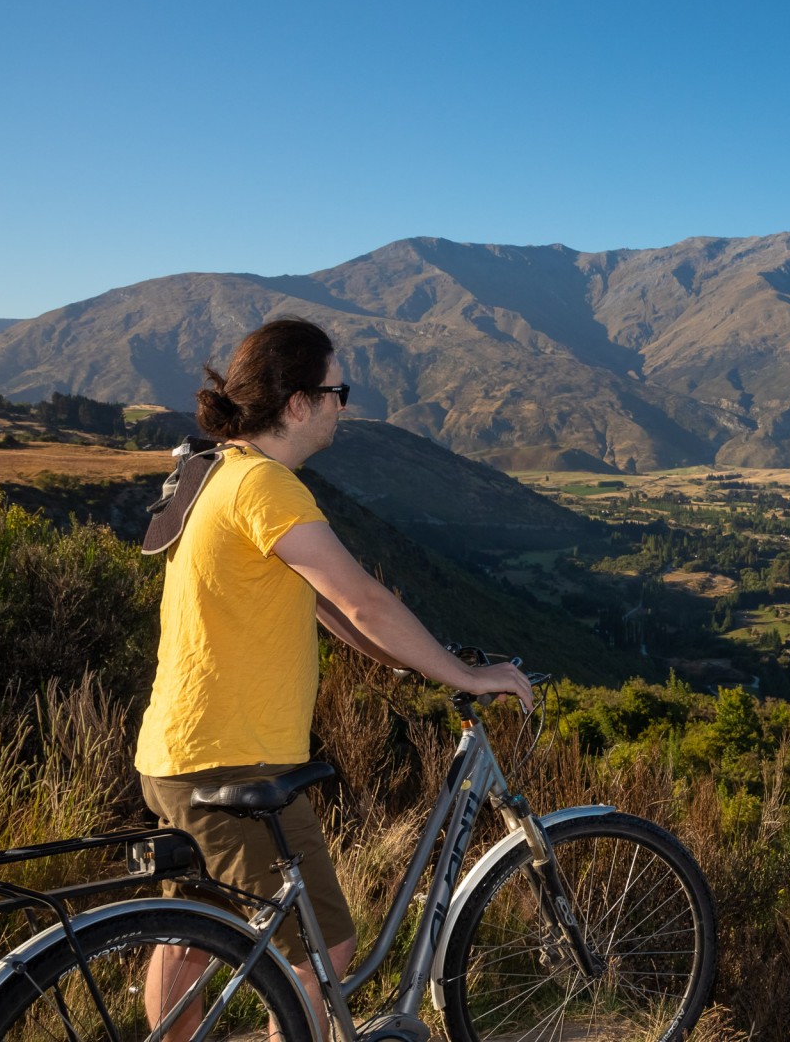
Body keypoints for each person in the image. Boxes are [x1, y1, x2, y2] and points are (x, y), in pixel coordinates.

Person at [133, 315, 531, 1039]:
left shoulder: (215, 473)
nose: (344, 406)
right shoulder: (266, 486)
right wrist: (469, 675)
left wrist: (416, 662)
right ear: (297, 404)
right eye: (336, 391)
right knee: (325, 949)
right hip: (236, 759)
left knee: (192, 940)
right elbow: (363, 597)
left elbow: (331, 611)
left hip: (177, 753)